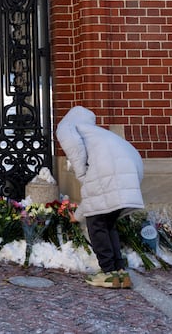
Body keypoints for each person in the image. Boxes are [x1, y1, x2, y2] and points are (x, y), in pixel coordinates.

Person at [56, 105, 144, 289]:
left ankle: (108, 273)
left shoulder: (68, 128)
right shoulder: (100, 135)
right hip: (128, 173)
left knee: (96, 224)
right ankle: (119, 271)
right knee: (108, 223)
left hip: (107, 174)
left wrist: (81, 177)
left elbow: (76, 153)